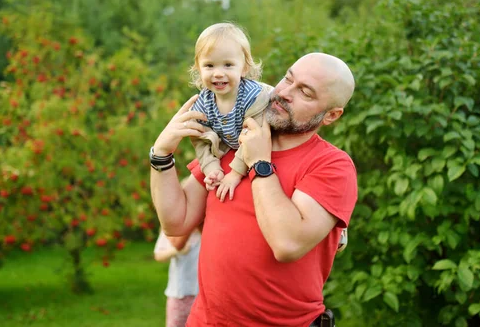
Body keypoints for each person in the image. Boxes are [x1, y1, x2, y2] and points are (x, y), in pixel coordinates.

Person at [149, 52, 357, 326]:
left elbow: (287, 244)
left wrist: (260, 162)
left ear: (331, 115)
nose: (284, 93)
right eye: (288, 79)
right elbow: (176, 223)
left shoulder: (331, 165)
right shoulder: (232, 143)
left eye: (305, 92)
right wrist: (162, 154)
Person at [187, 22, 272, 201]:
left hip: (263, 144)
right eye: (209, 66)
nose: (218, 73)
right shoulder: (204, 102)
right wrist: (211, 167)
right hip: (233, 144)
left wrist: (235, 173)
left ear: (244, 67)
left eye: (228, 65)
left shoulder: (253, 97)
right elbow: (199, 139)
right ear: (198, 68)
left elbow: (255, 136)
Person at [154, 228, 202, 327]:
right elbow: (158, 255)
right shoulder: (173, 231)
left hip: (201, 296)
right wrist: (176, 250)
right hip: (179, 295)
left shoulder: (205, 232)